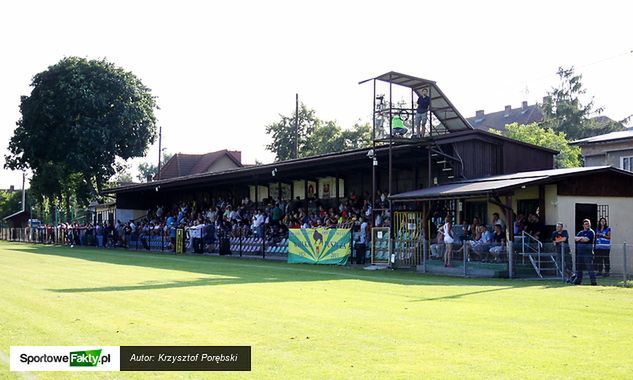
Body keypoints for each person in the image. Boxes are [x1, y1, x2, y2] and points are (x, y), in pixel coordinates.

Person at [573, 219, 597, 286]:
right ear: (583, 225)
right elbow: (575, 238)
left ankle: (593, 282)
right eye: (586, 224)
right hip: (580, 253)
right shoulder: (581, 232)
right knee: (579, 268)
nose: (587, 225)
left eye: (588, 224)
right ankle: (578, 281)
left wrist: (580, 239)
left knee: (590, 268)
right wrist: (582, 238)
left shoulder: (591, 232)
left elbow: (586, 240)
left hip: (588, 253)